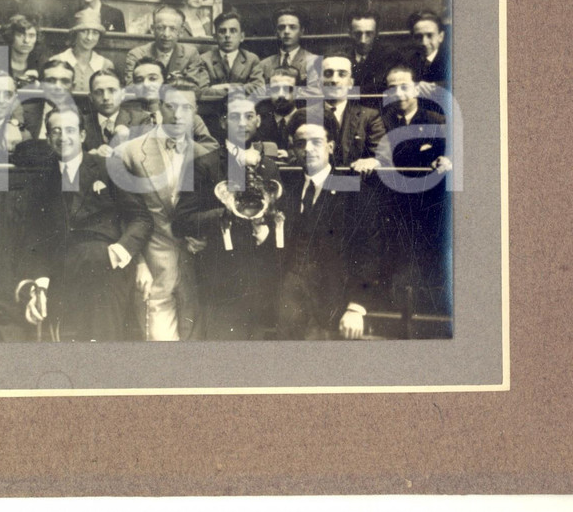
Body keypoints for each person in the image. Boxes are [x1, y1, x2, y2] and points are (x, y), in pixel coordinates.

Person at [13, 108, 152, 342]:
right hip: (64, 270)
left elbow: (141, 218)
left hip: (106, 265)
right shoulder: (44, 179)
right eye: (55, 131)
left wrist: (119, 251)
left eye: (69, 130)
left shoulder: (108, 167)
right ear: (48, 138)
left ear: (83, 136)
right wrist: (40, 281)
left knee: (101, 334)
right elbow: (37, 237)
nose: (63, 137)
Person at [173, 95, 283, 340]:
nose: (243, 123)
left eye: (249, 116)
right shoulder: (203, 165)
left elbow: (278, 217)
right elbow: (182, 220)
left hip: (260, 277)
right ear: (223, 122)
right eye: (235, 117)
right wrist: (225, 214)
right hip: (221, 276)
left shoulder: (269, 167)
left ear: (258, 121)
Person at [116, 80, 211, 341]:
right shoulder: (129, 154)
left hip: (194, 270)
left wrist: (204, 238)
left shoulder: (206, 155)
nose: (178, 115)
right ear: (159, 107)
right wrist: (139, 262)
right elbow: (124, 216)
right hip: (152, 267)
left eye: (186, 108)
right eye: (171, 106)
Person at [276, 115, 383, 340]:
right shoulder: (289, 190)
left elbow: (370, 252)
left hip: (335, 310)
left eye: (316, 142)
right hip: (291, 308)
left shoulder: (353, 189)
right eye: (300, 143)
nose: (308, 149)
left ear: (331, 147)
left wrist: (356, 307)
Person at [379, 63, 453, 317]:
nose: (399, 94)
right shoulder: (381, 123)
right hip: (392, 204)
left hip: (425, 206)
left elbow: (449, 158)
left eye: (405, 87)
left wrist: (446, 161)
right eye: (393, 88)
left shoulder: (437, 122)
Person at [124, 59, 219, 154]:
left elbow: (210, 148)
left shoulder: (189, 116)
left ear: (164, 82)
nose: (146, 84)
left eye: (153, 79)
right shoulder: (126, 118)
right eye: (139, 80)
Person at [318, 50, 390, 171]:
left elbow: (383, 156)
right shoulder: (305, 116)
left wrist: (373, 160)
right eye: (328, 73)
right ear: (319, 81)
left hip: (356, 185)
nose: (334, 80)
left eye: (342, 74)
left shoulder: (369, 116)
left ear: (351, 82)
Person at [122, 6, 207, 87]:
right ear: (152, 29)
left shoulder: (190, 54)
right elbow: (131, 87)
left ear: (181, 31)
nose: (166, 34)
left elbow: (192, 88)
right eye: (161, 28)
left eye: (173, 29)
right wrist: (173, 82)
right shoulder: (136, 55)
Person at [197, 10, 265, 100]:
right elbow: (202, 91)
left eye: (233, 31)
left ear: (242, 37)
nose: (227, 35)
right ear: (215, 37)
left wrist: (224, 87)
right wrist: (242, 87)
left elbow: (258, 88)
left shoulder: (251, 59)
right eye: (222, 31)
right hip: (213, 111)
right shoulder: (204, 60)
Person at [82, 68, 148, 154]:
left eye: (112, 91)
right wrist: (91, 157)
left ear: (122, 94)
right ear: (91, 97)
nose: (106, 97)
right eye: (99, 92)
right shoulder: (82, 123)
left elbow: (146, 157)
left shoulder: (140, 121)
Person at [50, 8, 115, 92]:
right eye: (84, 31)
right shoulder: (57, 60)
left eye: (95, 33)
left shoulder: (106, 65)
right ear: (75, 33)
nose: (89, 37)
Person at [257, 8, 321, 91]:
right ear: (276, 32)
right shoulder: (264, 65)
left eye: (292, 27)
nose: (286, 31)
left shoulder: (313, 62)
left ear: (301, 31)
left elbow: (314, 93)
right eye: (281, 27)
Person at [346, 9, 395, 109]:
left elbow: (383, 89)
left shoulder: (390, 56)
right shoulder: (342, 57)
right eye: (358, 34)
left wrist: (348, 90)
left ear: (377, 33)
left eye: (369, 34)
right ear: (349, 33)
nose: (363, 40)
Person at [253, 67, 302, 158]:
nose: (281, 94)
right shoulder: (258, 123)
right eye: (275, 89)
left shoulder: (307, 121)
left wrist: (291, 155)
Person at [406, 10, 451, 101]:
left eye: (430, 35)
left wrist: (435, 86)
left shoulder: (451, 60)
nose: (424, 43)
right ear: (412, 38)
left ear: (440, 37)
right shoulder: (407, 61)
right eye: (418, 37)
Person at [0, 13, 46, 89]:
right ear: (11, 36)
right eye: (20, 35)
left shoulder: (41, 63)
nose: (26, 40)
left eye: (31, 36)